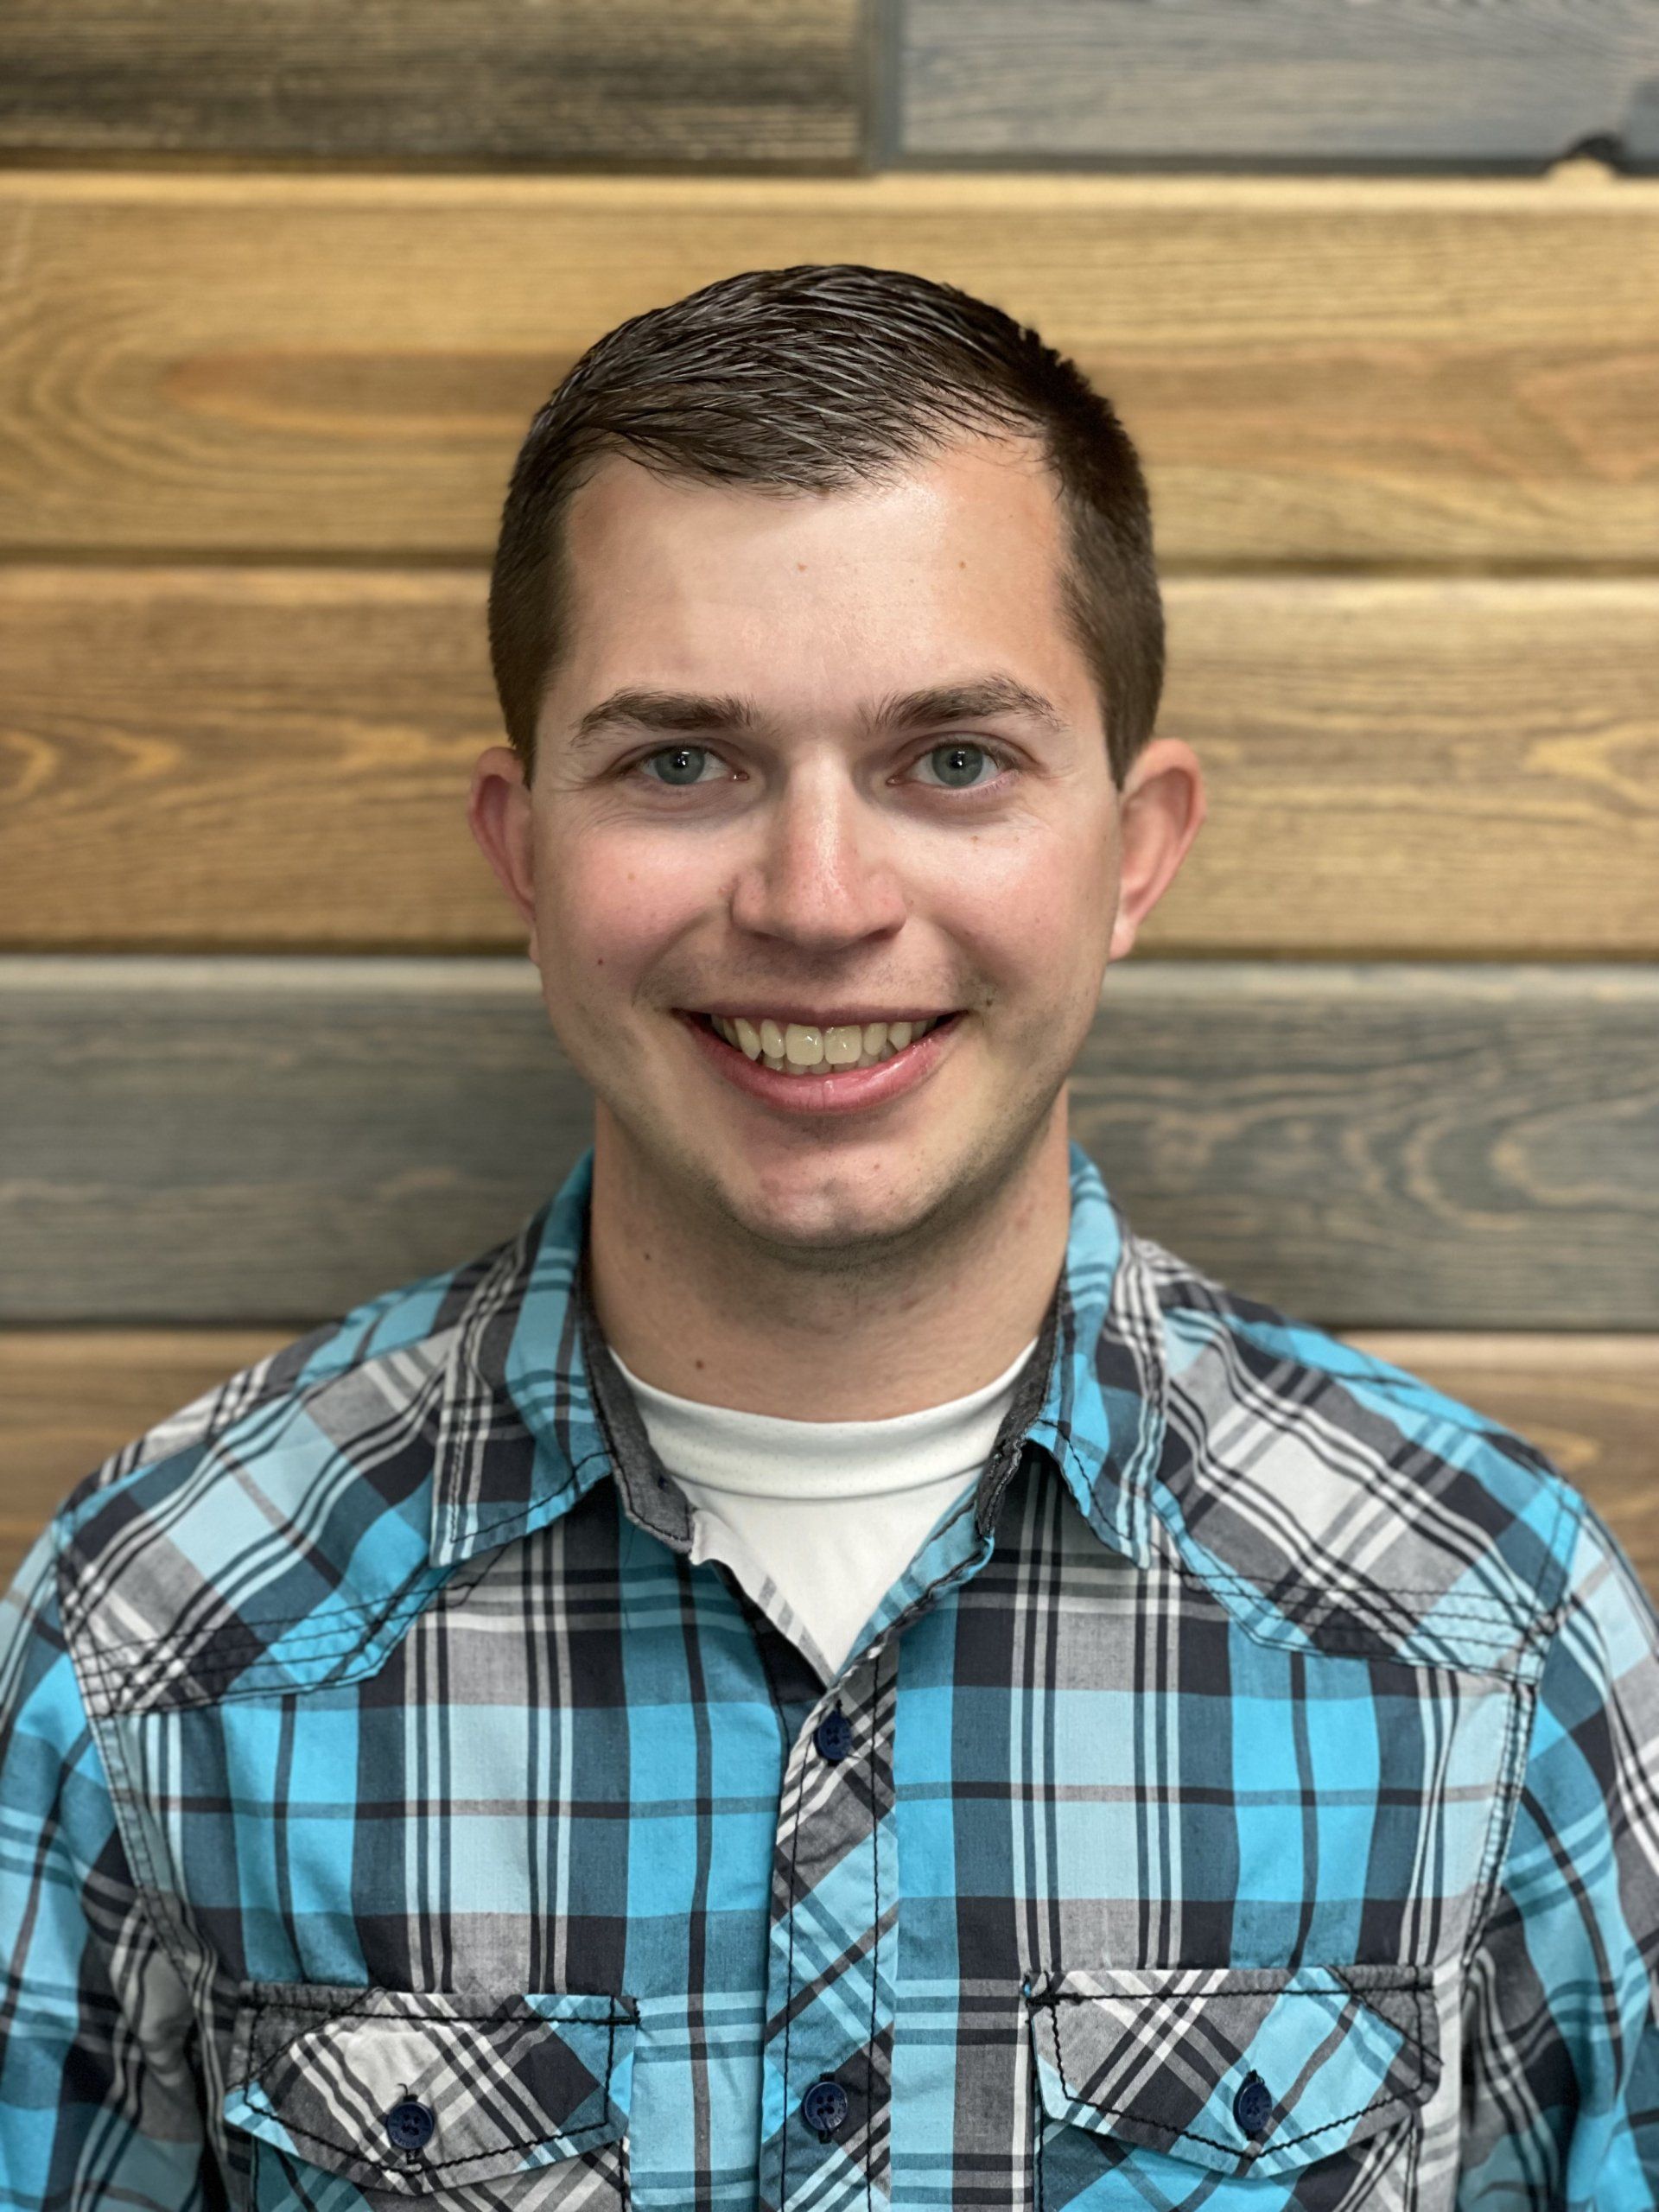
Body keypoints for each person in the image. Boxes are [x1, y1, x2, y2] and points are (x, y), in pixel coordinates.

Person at [1, 263, 1655, 2212]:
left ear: (1133, 852)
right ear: (524, 849)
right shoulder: (161, 1625)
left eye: (952, 760)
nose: (815, 898)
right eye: (680, 762)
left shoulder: (1486, 1624)